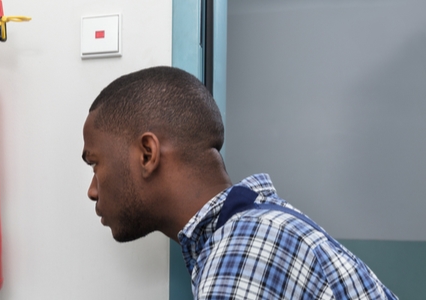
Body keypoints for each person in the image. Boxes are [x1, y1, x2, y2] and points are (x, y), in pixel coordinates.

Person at [81, 66, 397, 299]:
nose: (92, 190)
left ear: (147, 154)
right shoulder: (256, 230)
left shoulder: (244, 254)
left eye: (95, 163)